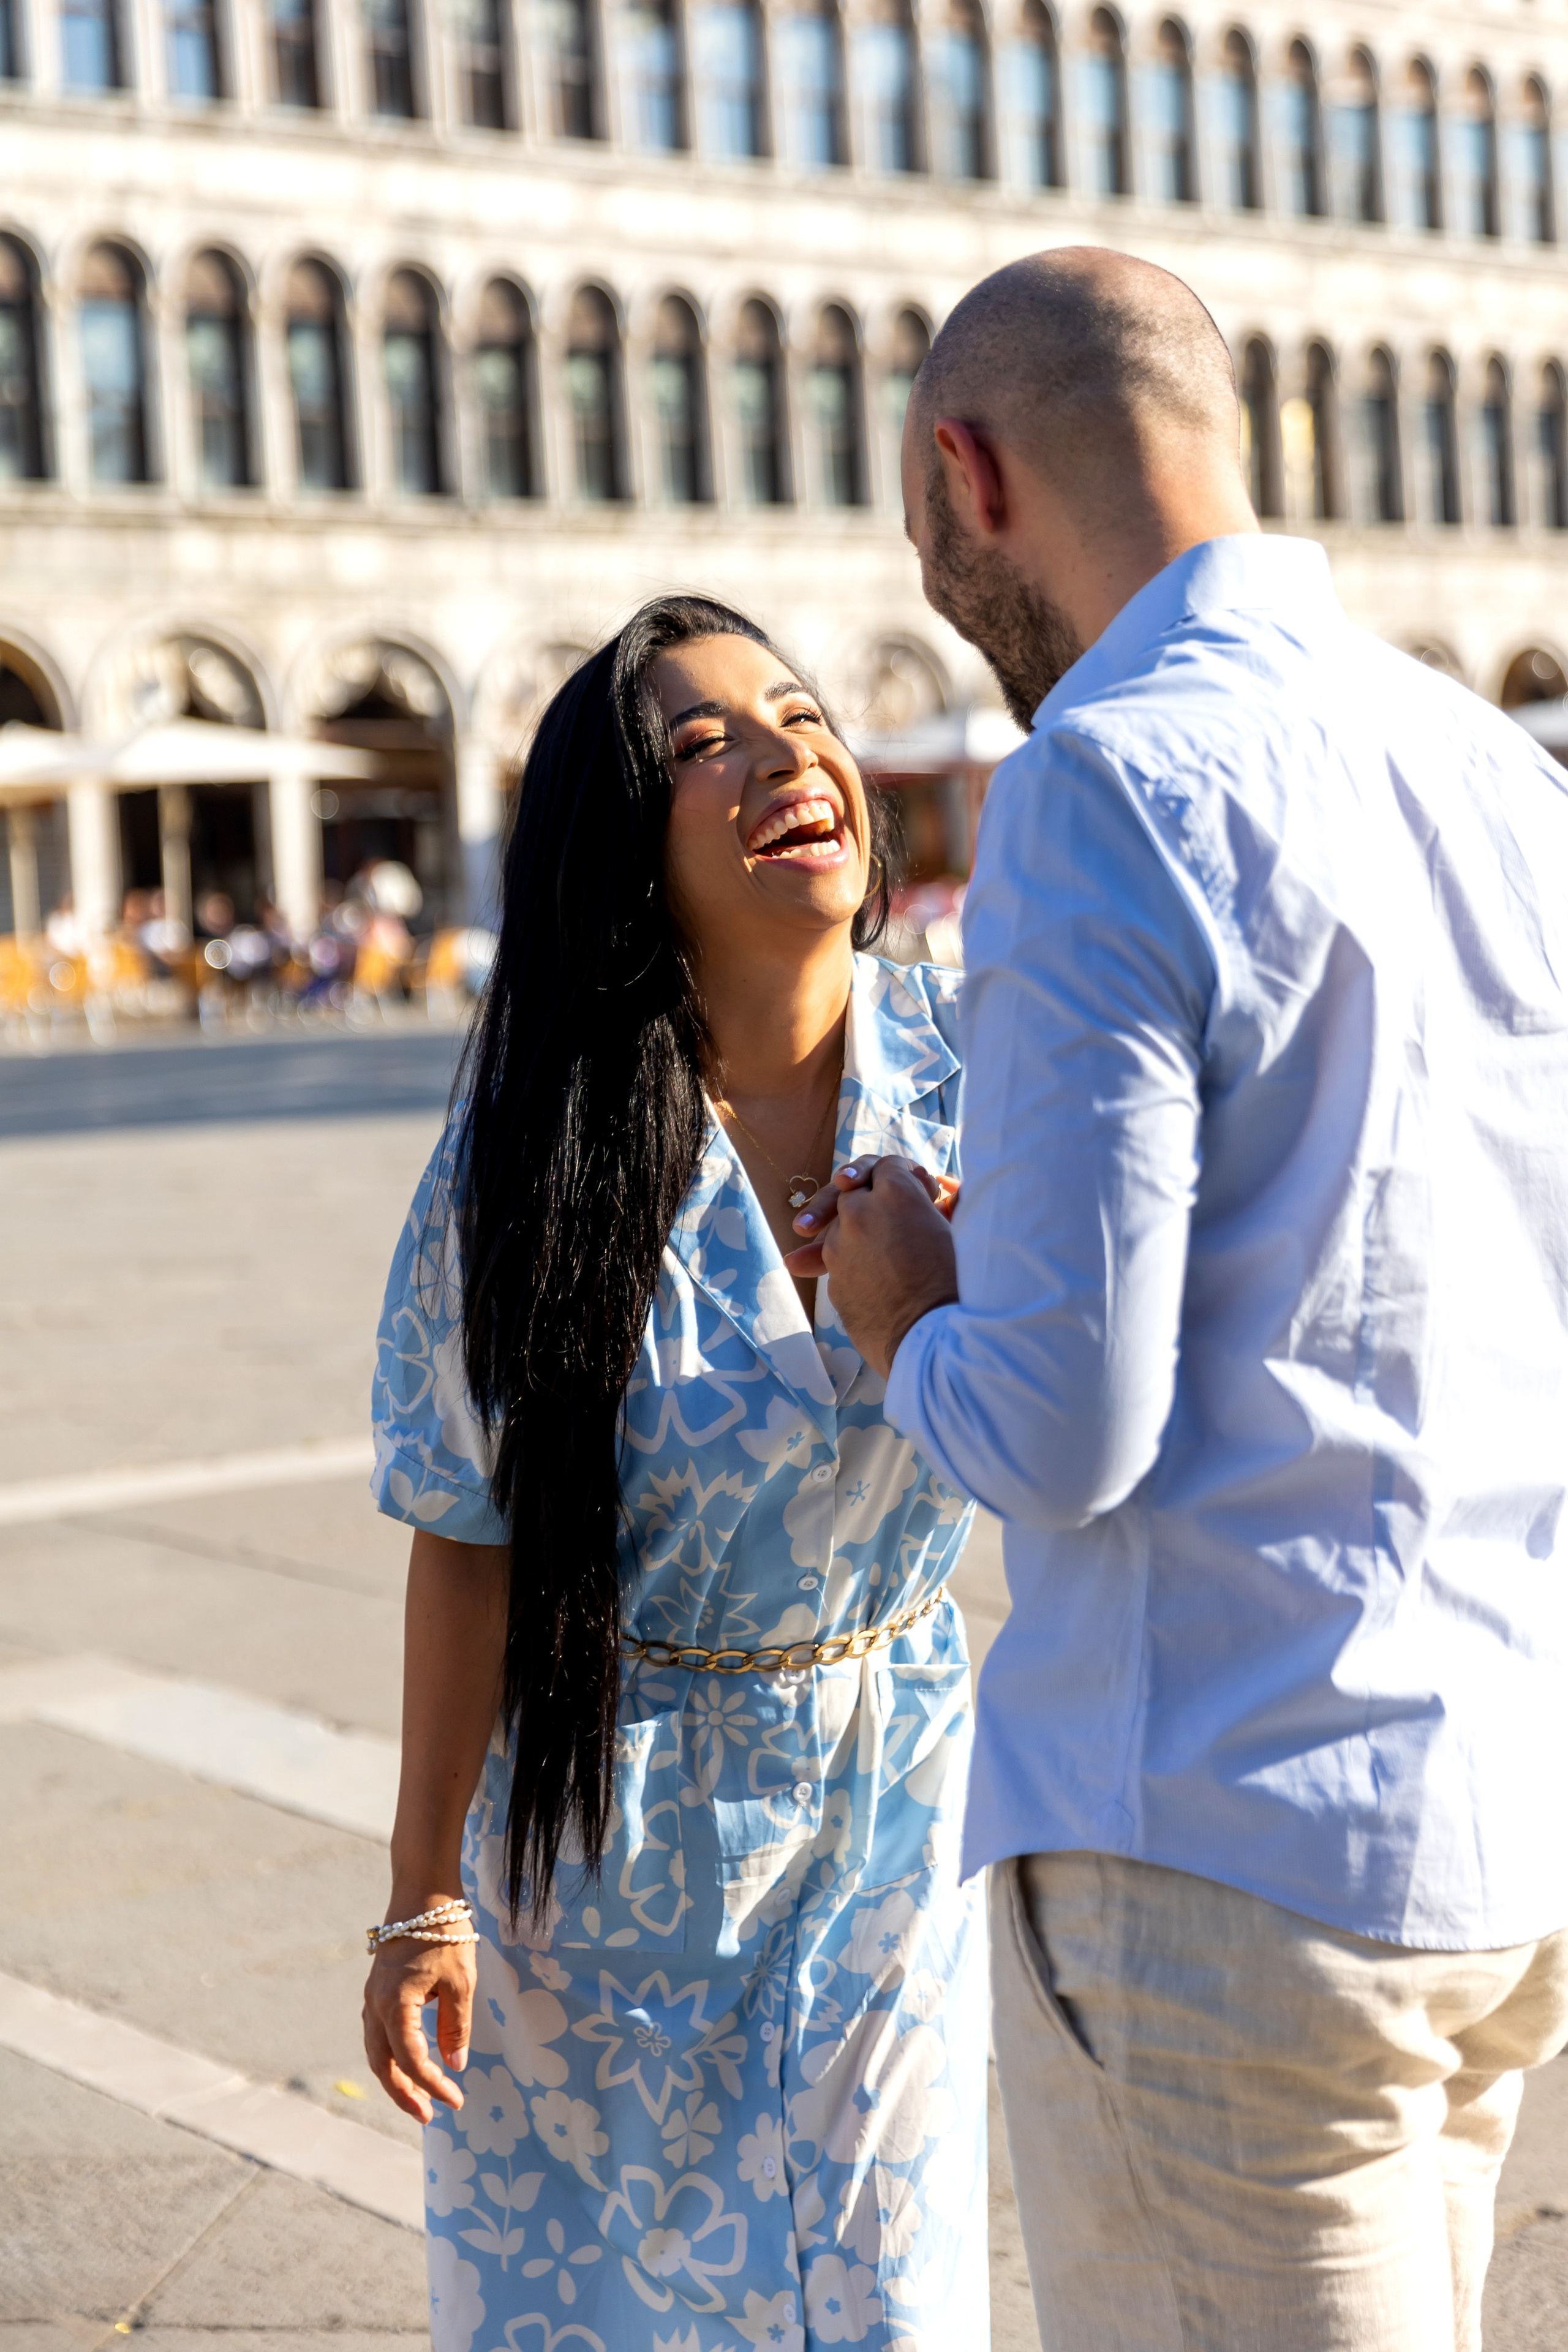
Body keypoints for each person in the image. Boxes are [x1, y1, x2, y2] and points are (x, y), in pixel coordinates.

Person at [792, 247, 1568, 2351]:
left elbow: (1062, 1423)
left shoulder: (1108, 778)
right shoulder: (1501, 776)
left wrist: (904, 1309)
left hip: (1220, 1847)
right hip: (1498, 1828)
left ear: (968, 475)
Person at [361, 595, 987, 2352]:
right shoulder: (528, 1157)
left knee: (887, 2299)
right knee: (610, 2311)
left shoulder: (986, 1068)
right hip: (600, 1847)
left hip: (897, 1797)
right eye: (703, 742)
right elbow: (467, 1533)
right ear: (622, 846)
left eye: (801, 716)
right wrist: (421, 1899)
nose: (790, 753)